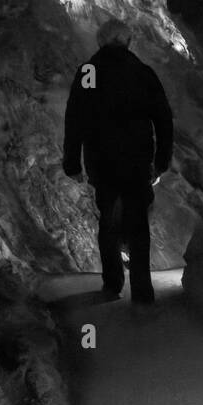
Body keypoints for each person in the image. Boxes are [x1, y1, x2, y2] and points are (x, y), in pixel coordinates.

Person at [62, 19, 173, 305]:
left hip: (102, 159)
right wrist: (162, 160)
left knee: (108, 220)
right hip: (137, 158)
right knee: (137, 224)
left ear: (100, 42)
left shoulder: (89, 72)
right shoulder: (141, 72)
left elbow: (75, 118)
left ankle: (112, 283)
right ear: (127, 41)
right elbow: (162, 118)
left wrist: (72, 162)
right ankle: (142, 290)